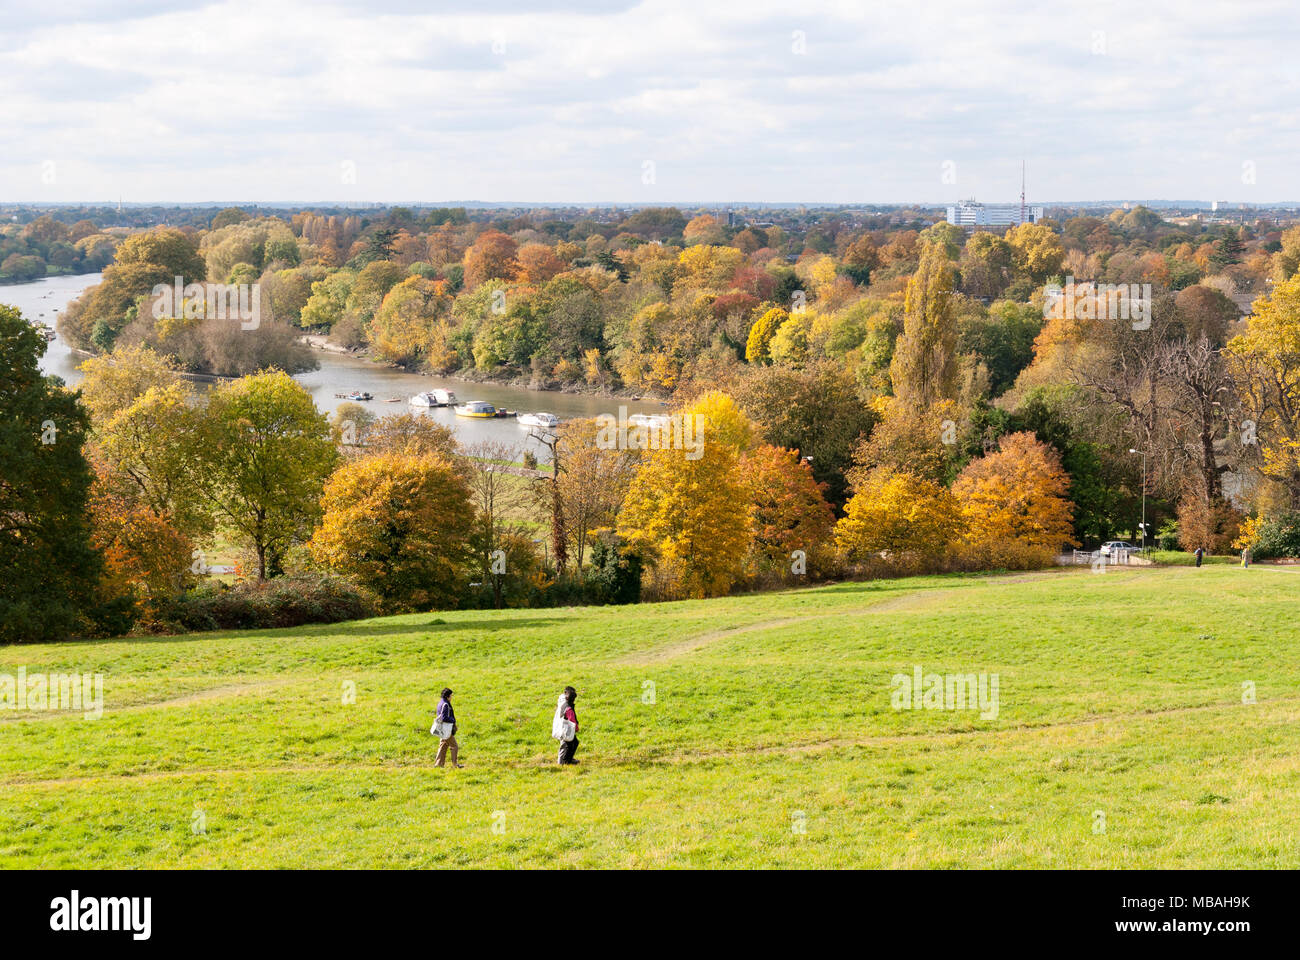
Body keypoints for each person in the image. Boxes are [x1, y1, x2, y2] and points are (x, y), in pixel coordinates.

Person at [432, 687, 463, 768]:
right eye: (451, 696)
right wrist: (453, 720)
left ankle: (438, 764)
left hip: (442, 729)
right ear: (447, 696)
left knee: (443, 746)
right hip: (446, 730)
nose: (451, 697)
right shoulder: (445, 704)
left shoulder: (440, 702)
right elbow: (444, 717)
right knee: (454, 746)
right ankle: (455, 765)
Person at [552, 686, 579, 765]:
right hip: (567, 730)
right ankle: (563, 761)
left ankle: (568, 759)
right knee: (567, 745)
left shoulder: (563, 702)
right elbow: (572, 720)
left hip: (564, 728)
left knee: (572, 743)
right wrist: (576, 728)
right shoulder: (569, 708)